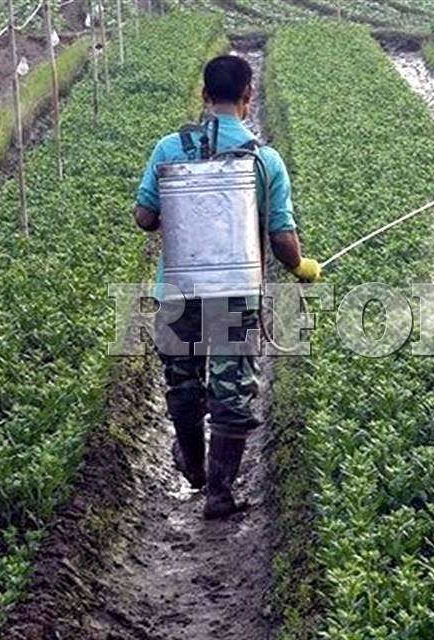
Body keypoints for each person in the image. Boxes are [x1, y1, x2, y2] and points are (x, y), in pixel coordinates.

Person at [133, 55, 321, 519]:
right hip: (236, 293)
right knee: (232, 391)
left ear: (203, 95)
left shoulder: (167, 149)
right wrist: (300, 268)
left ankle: (193, 467)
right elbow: (280, 237)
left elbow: (144, 217)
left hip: (176, 292)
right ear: (248, 97)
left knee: (183, 383)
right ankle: (218, 491)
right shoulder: (264, 160)